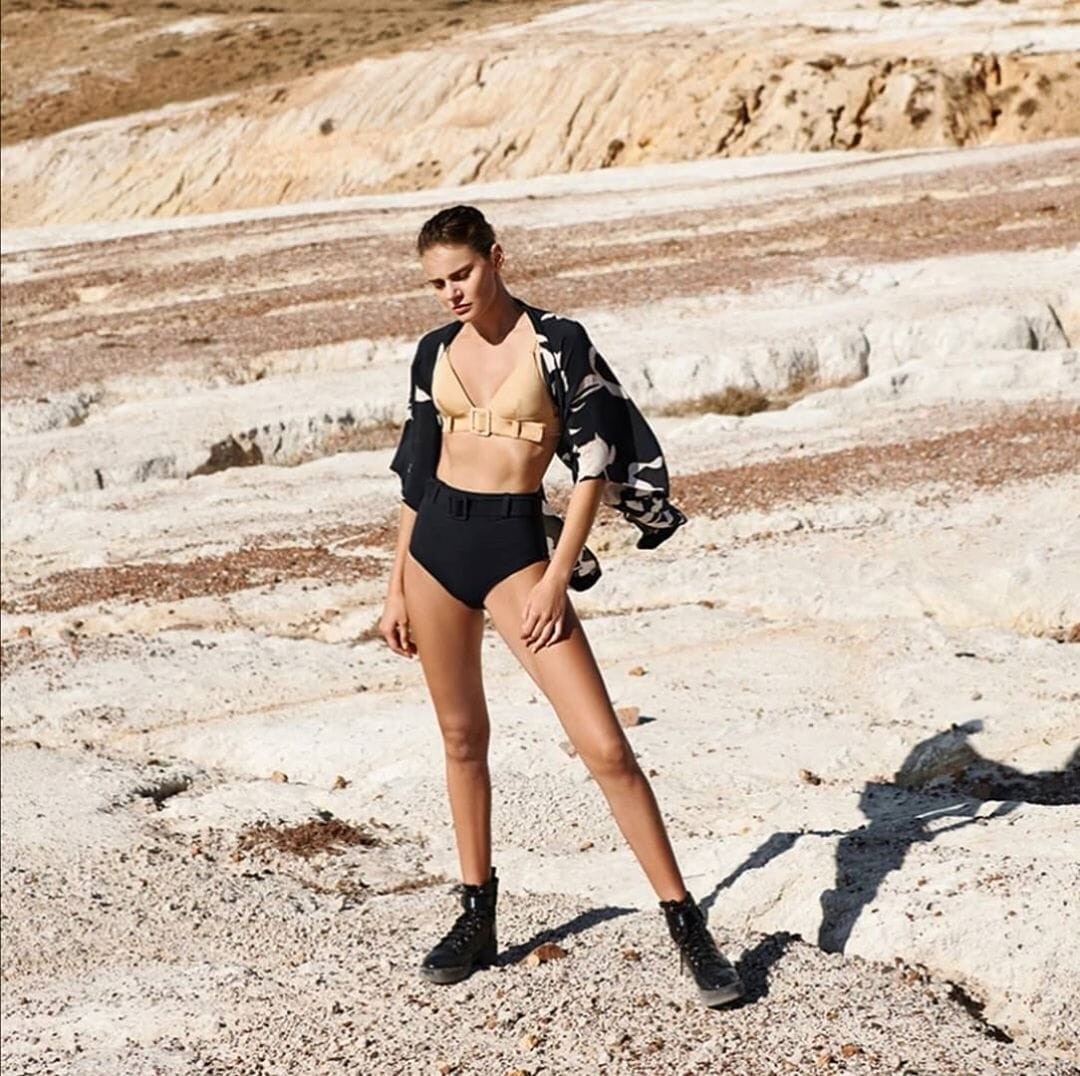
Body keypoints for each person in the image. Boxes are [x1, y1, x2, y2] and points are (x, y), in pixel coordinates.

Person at [379, 204, 744, 1008]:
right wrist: (395, 585)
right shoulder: (433, 351)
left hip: (516, 550)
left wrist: (554, 575)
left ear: (496, 257)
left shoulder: (559, 341)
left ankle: (687, 924)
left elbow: (591, 465)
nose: (451, 293)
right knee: (461, 739)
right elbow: (415, 474)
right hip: (436, 547)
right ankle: (477, 913)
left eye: (462, 274)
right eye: (437, 283)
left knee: (605, 747)